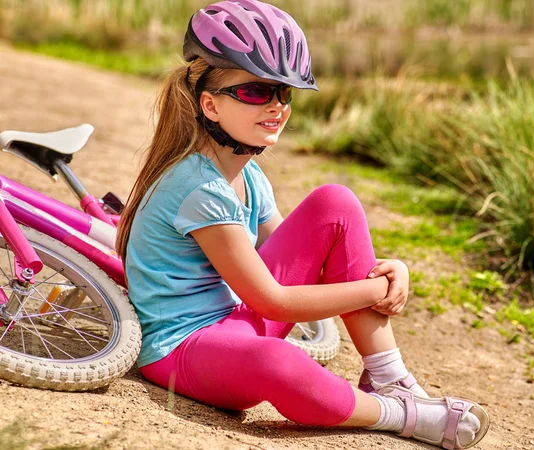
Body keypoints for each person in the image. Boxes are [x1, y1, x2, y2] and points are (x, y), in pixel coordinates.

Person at [115, 1, 490, 448]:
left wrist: (387, 269)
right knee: (278, 362)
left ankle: (389, 376)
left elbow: (300, 257)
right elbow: (274, 300)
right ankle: (399, 414)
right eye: (256, 92)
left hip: (232, 321)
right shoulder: (199, 189)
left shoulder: (248, 174)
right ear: (210, 106)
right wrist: (376, 290)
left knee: (335, 202)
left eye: (284, 94)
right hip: (182, 350)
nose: (276, 107)